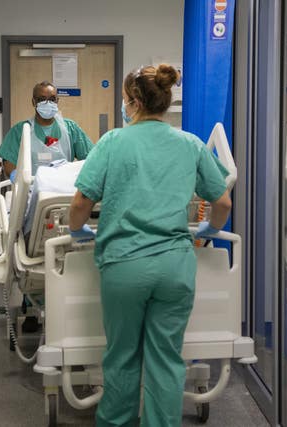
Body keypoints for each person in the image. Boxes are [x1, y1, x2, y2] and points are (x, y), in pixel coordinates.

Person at [68, 64, 232, 426]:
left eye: (126, 100)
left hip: (125, 265)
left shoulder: (113, 141)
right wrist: (208, 229)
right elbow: (223, 203)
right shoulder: (189, 144)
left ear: (135, 101)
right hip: (175, 266)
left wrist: (76, 230)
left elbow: (81, 202)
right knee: (166, 359)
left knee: (122, 356)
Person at [0, 81, 94, 181]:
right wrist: (16, 176)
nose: (47, 103)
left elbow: (91, 158)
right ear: (33, 102)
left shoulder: (70, 128)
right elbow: (8, 162)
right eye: (41, 99)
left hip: (64, 189)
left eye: (52, 99)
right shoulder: (21, 130)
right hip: (32, 189)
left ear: (57, 101)